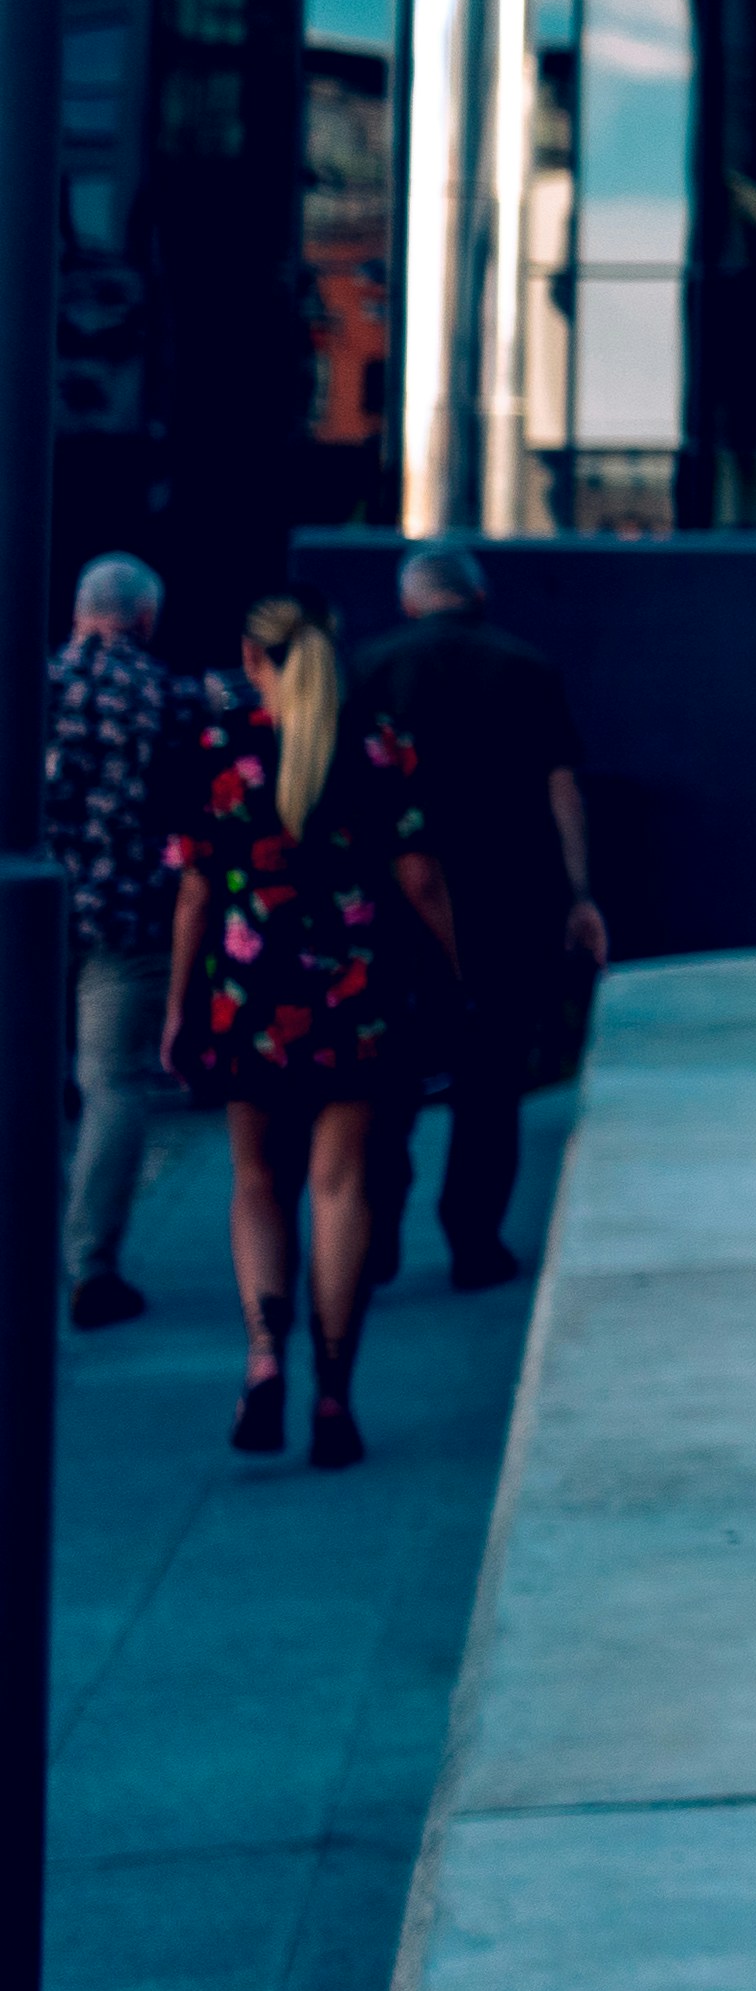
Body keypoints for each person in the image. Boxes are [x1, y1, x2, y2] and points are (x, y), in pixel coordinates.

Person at [164, 595, 453, 1473]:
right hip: (353, 994)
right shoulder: (378, 742)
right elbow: (420, 874)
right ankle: (333, 1389)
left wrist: (179, 1008)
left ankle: (262, 1356)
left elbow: (196, 893)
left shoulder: (220, 751)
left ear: (253, 660)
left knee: (256, 1181)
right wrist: (456, 972)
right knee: (340, 1188)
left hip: (248, 995)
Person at [357, 542, 601, 1290]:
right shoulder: (526, 667)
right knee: (490, 1080)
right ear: (478, 597)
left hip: (391, 905)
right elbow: (561, 785)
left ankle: (373, 1240)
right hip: (508, 899)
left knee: (387, 1080)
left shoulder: (369, 667)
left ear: (410, 600)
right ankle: (473, 1241)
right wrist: (579, 894)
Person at [47, 552, 202, 1331]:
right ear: (145, 618)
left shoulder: (32, 684)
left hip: (32, 920)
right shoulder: (167, 696)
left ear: (79, 612)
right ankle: (89, 1265)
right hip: (129, 917)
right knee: (114, 1087)